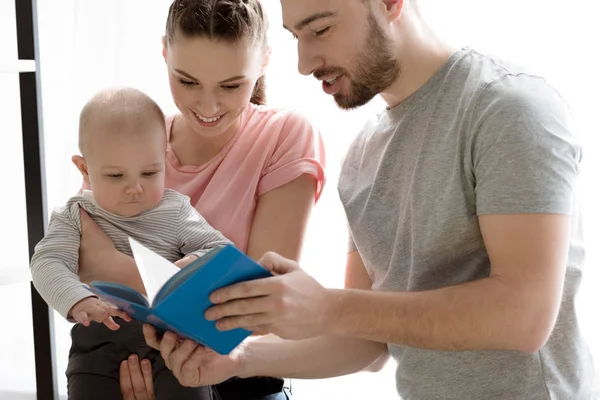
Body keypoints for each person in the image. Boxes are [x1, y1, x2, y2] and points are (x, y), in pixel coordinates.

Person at [140, 0, 597, 399]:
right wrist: (239, 360)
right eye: (296, 35)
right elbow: (368, 344)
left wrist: (328, 306)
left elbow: (525, 316)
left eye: (320, 29)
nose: (303, 62)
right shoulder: (362, 157)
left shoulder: (506, 108)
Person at [75, 0, 326, 399]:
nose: (208, 107)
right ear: (164, 53)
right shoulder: (133, 133)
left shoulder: (284, 135)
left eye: (230, 86)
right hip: (132, 367)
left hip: (243, 384)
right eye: (187, 81)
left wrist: (123, 270)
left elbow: (258, 306)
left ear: (263, 61)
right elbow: (86, 266)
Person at [30, 87, 232, 400]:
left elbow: (220, 252)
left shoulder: (176, 210)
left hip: (173, 345)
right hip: (98, 346)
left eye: (150, 172)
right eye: (115, 176)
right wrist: (77, 300)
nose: (135, 187)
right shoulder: (75, 214)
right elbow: (47, 262)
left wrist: (184, 267)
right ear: (85, 169)